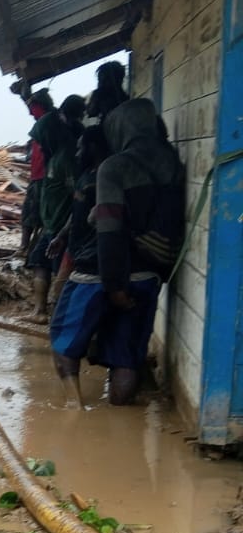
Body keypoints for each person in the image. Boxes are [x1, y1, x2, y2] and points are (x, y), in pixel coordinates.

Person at [49, 98, 185, 406]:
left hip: (101, 273)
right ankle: (120, 418)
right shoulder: (172, 163)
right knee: (127, 356)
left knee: (63, 340)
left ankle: (74, 411)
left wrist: (114, 287)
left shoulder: (114, 167)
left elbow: (109, 233)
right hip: (150, 273)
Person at [25, 93, 84, 319]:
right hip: (51, 224)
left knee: (62, 272)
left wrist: (63, 231)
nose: (39, 147)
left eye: (40, 142)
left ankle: (60, 318)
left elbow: (76, 199)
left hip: (62, 227)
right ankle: (39, 311)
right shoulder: (56, 156)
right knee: (39, 261)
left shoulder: (67, 158)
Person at [19, 89, 53, 264]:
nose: (30, 113)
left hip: (45, 178)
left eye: (32, 108)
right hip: (36, 176)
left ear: (39, 106)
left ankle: (32, 250)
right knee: (28, 214)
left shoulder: (50, 121)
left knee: (39, 215)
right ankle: (24, 248)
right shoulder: (42, 122)